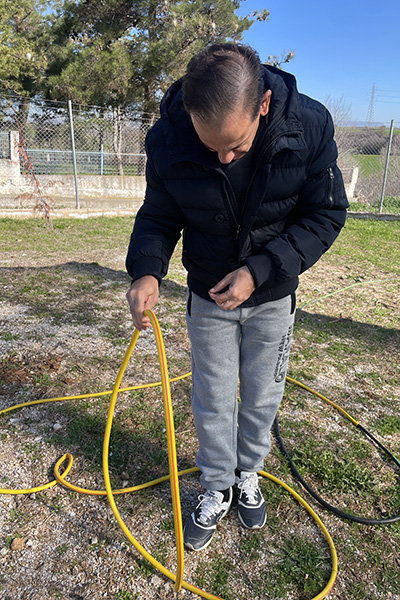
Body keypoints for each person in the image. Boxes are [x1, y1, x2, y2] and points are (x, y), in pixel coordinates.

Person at [126, 43, 348, 551]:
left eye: (236, 147)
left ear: (263, 104)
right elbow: (159, 212)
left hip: (272, 295)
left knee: (263, 395)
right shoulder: (167, 138)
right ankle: (217, 483)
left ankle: (249, 472)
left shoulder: (310, 125)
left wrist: (260, 269)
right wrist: (147, 271)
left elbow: (325, 214)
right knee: (212, 396)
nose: (223, 159)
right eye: (212, 148)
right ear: (189, 114)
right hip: (207, 294)